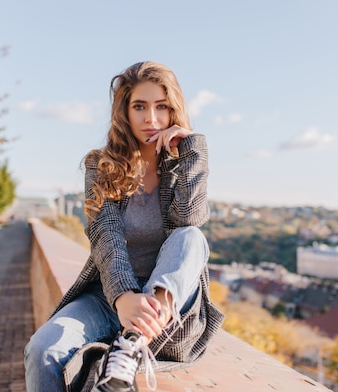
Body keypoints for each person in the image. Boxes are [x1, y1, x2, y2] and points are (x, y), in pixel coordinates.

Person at [24, 61, 224, 392]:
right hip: (110, 295)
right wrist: (123, 297)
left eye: (162, 107)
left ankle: (131, 343)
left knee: (192, 237)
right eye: (140, 106)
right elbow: (106, 235)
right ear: (124, 111)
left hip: (167, 308)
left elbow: (188, 219)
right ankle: (127, 341)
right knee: (42, 349)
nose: (151, 118)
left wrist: (191, 151)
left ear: (174, 110)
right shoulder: (100, 164)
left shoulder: (180, 165)